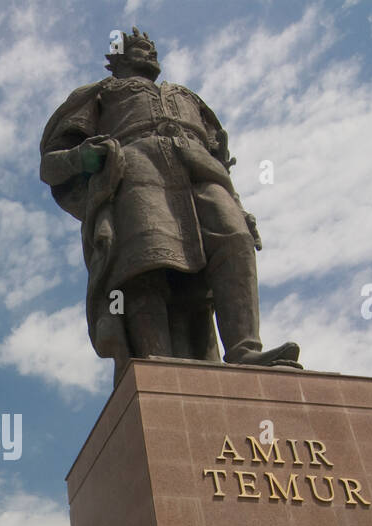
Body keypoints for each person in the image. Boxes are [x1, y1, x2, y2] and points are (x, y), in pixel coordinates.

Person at [40, 27, 301, 383]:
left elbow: (220, 155)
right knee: (147, 263)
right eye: (139, 48)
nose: (150, 52)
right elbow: (50, 164)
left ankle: (244, 350)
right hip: (135, 168)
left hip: (201, 168)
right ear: (116, 58)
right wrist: (80, 157)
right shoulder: (99, 94)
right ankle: (156, 364)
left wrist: (239, 204)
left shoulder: (188, 97)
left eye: (151, 47)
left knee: (234, 238)